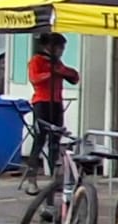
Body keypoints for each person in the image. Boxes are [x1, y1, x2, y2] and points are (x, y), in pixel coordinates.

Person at [26, 32, 79, 177]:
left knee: (55, 138)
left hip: (56, 102)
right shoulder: (37, 60)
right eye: (60, 48)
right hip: (42, 102)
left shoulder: (57, 63)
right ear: (50, 46)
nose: (61, 51)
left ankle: (53, 174)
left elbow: (74, 78)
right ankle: (32, 176)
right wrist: (51, 73)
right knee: (40, 139)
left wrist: (64, 72)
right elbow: (34, 78)